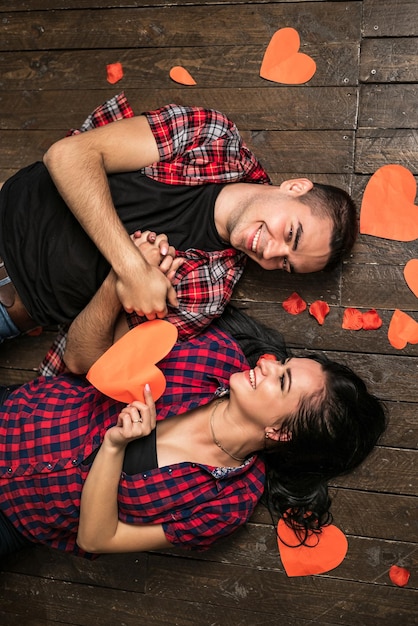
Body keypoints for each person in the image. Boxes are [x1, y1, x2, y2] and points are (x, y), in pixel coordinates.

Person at [0, 305, 386, 558]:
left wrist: (114, 447)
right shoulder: (212, 352)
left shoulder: (228, 503)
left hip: (14, 520)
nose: (268, 364)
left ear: (280, 432)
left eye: (282, 380)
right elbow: (112, 346)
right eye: (283, 362)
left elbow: (97, 539)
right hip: (15, 414)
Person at [0, 92, 357, 344]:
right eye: (291, 235)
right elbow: (67, 157)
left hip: (10, 310)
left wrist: (113, 288)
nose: (272, 252)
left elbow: (85, 359)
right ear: (294, 187)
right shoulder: (212, 139)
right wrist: (134, 269)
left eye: (285, 264)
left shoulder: (209, 293)